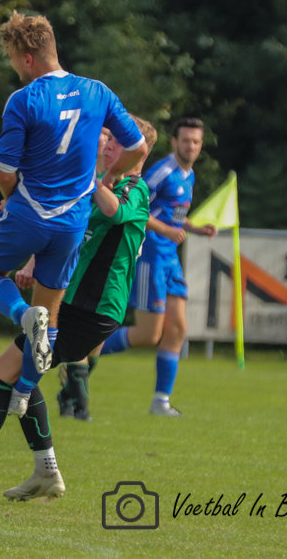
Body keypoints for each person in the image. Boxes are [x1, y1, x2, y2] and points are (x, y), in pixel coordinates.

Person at [0, 116, 156, 505]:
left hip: (92, 312)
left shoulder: (135, 190)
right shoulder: (95, 186)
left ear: (140, 153)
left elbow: (112, 211)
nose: (108, 145)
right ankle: (45, 472)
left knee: (1, 374)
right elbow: (60, 228)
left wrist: (86, 176)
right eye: (107, 140)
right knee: (15, 374)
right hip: (67, 305)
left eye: (118, 142)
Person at [0, 10, 146, 418]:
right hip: (72, 223)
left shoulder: (24, 99)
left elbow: (6, 172)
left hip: (29, 213)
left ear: (28, 58)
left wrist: (10, 198)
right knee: (50, 320)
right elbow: (138, 148)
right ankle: (23, 392)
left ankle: (21, 314)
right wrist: (107, 177)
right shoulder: (98, 91)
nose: (13, 67)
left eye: (13, 59)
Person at [97, 117, 217, 416]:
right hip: (150, 255)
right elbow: (136, 207)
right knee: (148, 335)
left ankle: (161, 402)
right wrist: (165, 231)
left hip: (170, 259)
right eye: (185, 140)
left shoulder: (188, 175)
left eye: (196, 141)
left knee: (177, 329)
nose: (191, 146)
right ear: (174, 142)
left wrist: (195, 228)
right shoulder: (163, 172)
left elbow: (172, 214)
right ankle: (84, 352)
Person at [16, 127, 111, 421]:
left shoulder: (119, 180)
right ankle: (75, 404)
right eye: (102, 133)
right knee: (63, 334)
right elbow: (53, 225)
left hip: (101, 273)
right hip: (70, 266)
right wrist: (32, 264)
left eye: (110, 136)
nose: (106, 140)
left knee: (93, 343)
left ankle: (65, 393)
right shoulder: (75, 173)